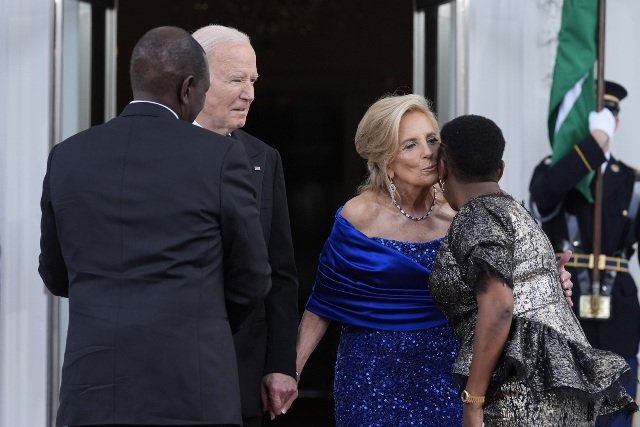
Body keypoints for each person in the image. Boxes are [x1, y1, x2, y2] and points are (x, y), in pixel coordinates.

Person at [38, 26, 271, 427]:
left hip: (93, 388)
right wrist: (206, 322)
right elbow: (252, 276)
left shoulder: (68, 156)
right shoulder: (219, 157)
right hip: (191, 386)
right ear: (189, 88)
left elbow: (56, 275)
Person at [294, 94, 575, 426]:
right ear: (386, 160)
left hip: (450, 370)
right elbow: (324, 301)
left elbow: (505, 292)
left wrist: (546, 283)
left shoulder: (466, 213)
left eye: (431, 140)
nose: (428, 152)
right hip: (370, 373)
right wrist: (290, 372)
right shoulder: (358, 216)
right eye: (410, 145)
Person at [430, 114, 637, 426]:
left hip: (519, 398)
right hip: (557, 395)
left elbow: (499, 305)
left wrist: (473, 401)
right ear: (500, 170)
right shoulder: (516, 210)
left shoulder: (476, 214)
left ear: (443, 167)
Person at [191, 25, 299, 425]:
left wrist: (281, 364)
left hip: (243, 366)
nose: (249, 93)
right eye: (236, 79)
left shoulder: (263, 158)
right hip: (169, 366)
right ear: (193, 81)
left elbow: (280, 271)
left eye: (253, 80)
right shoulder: (155, 152)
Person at [530, 81, 640, 427]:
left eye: (607, 118)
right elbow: (545, 195)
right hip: (566, 306)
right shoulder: (554, 173)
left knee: (616, 412)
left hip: (618, 311)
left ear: (615, 122)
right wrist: (594, 144)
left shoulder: (632, 180)